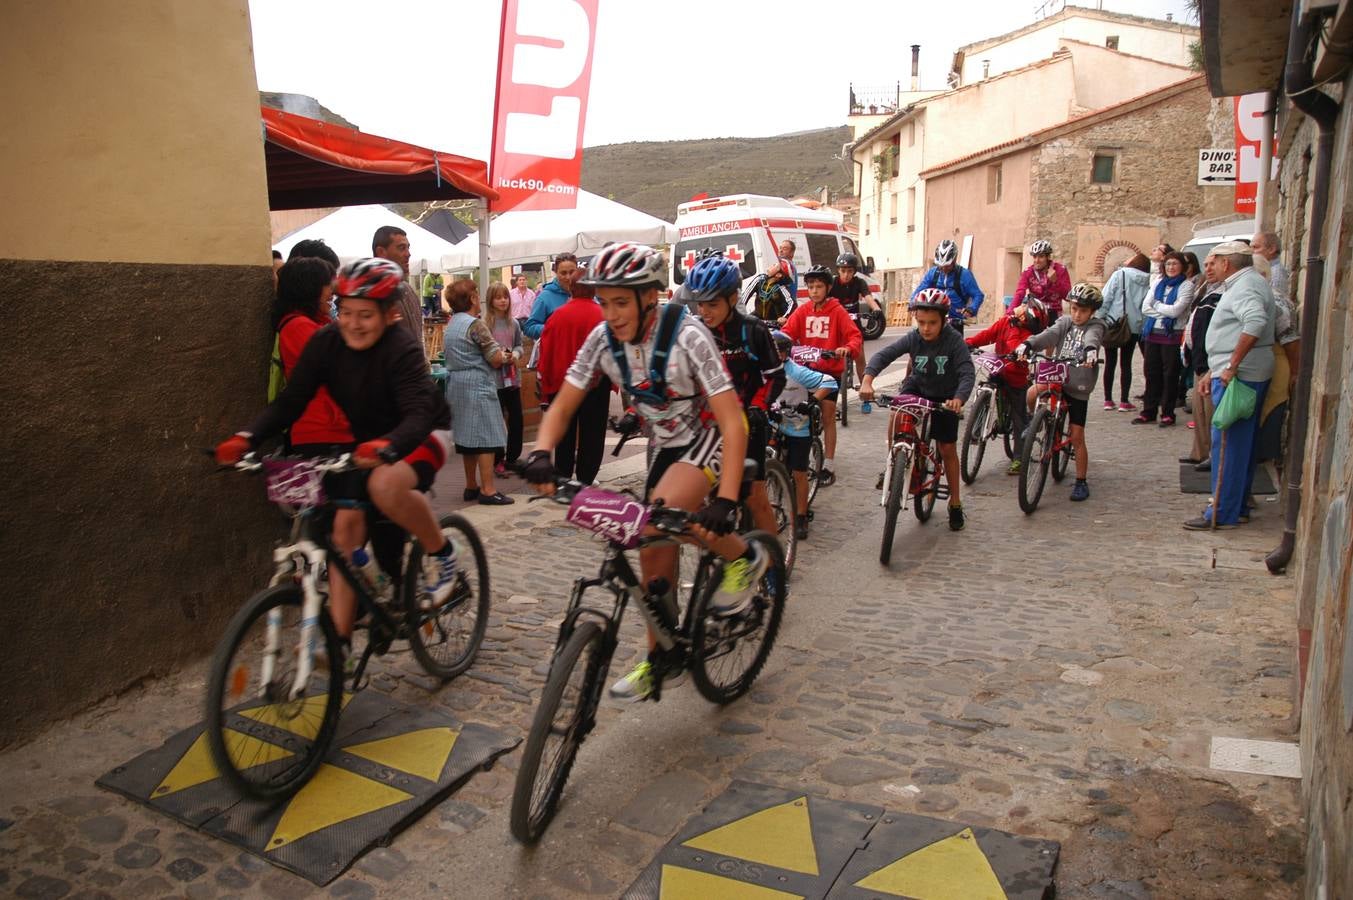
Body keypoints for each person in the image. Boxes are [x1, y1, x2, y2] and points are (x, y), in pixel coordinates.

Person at [521, 242, 766, 702]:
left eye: (620, 302)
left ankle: (743, 558)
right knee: (652, 548)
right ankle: (662, 658)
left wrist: (729, 499)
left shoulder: (689, 335)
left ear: (649, 298)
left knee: (663, 513)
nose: (610, 314)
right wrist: (543, 452)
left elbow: (733, 420)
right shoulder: (601, 339)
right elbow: (565, 402)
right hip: (664, 445)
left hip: (708, 435)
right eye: (604, 302)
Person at [215, 258, 458, 661]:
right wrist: (247, 437)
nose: (354, 324)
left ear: (388, 314)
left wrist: (388, 447)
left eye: (366, 315)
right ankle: (341, 640)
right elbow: (293, 400)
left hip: (423, 432)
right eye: (345, 312)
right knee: (345, 533)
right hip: (365, 442)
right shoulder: (326, 343)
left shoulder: (401, 348)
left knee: (384, 486)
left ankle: (441, 552)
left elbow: (417, 412)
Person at [688, 253, 786, 541]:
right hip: (707, 425)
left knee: (754, 496)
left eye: (713, 304)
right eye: (700, 303)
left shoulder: (752, 330)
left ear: (732, 298)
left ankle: (773, 566)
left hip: (748, 422)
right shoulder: (695, 331)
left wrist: (758, 407)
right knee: (698, 495)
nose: (705, 311)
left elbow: (775, 377)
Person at [859, 288, 975, 530]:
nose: (926, 328)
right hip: (918, 386)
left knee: (947, 448)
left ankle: (955, 502)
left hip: (946, 395)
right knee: (896, 413)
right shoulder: (914, 338)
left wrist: (959, 398)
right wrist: (868, 379)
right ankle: (894, 461)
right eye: (921, 322)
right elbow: (884, 355)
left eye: (932, 323)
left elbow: (966, 372)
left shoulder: (954, 341)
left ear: (944, 320)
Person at [1183, 241, 1276, 530]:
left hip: (1241, 375)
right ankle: (1238, 503)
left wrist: (1232, 365)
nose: (1211, 266)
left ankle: (1223, 511)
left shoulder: (1245, 285)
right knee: (1239, 443)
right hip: (1238, 371)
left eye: (1215, 261)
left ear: (1227, 262)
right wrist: (1217, 367)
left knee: (1227, 444)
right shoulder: (1245, 283)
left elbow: (1254, 322)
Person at [1015, 284, 1106, 502]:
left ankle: (1081, 481)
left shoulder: (1096, 325)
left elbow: (1092, 339)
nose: (1077, 314)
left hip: (1078, 385)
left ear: (1092, 311)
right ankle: (1034, 423)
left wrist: (1090, 352)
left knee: (1076, 436)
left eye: (1083, 310)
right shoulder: (1065, 322)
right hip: (1057, 376)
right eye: (1074, 308)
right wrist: (1027, 344)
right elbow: (1049, 335)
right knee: (1031, 393)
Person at [780, 265, 863, 486]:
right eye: (810, 287)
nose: (814, 291)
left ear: (828, 288)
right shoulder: (803, 310)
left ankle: (829, 463)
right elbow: (788, 332)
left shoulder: (837, 311)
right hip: (805, 371)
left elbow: (854, 336)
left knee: (828, 415)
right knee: (790, 409)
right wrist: (780, 340)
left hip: (829, 371)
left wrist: (847, 349)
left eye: (819, 287)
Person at [443, 279, 514, 505]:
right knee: (486, 437)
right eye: (476, 292)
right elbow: (494, 357)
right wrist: (506, 356)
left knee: (466, 437)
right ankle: (488, 489)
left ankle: (470, 486)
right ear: (472, 298)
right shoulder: (476, 325)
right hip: (477, 383)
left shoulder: (452, 323)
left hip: (456, 384)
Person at [536, 277, 612, 486]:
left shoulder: (557, 316)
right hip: (596, 383)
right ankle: (586, 477)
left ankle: (563, 475)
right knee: (593, 433)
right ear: (593, 289)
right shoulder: (602, 316)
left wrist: (546, 382)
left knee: (564, 431)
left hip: (563, 380)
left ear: (572, 289)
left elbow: (546, 351)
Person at [271, 257, 351, 452]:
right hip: (318, 431)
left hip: (336, 429)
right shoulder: (298, 326)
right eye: (327, 284)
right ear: (310, 288)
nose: (332, 292)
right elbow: (343, 364)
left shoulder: (319, 321)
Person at [964, 295, 1048, 475]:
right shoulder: (1006, 322)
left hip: (1016, 379)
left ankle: (1018, 457)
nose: (1018, 307)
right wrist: (969, 344)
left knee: (1019, 418)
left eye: (1023, 307)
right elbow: (987, 335)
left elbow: (1016, 347)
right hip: (997, 370)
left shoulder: (1026, 336)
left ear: (1025, 317)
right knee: (983, 388)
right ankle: (976, 427)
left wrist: (1015, 332)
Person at [771, 330, 836, 540]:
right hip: (774, 423)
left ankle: (801, 517)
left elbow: (830, 382)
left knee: (799, 473)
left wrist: (812, 401)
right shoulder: (763, 370)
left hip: (798, 427)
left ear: (784, 354)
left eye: (775, 351)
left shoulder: (796, 372)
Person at [1135, 249, 1193, 426]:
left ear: (1182, 266)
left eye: (1175, 263)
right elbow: (1145, 307)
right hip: (1153, 334)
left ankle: (1167, 413)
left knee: (1170, 376)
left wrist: (1158, 306)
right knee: (1152, 373)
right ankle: (1149, 411)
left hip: (1172, 336)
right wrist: (1165, 313)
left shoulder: (1186, 286)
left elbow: (1177, 310)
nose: (1171, 267)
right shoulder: (1158, 282)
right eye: (1168, 263)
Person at [1179, 258, 1223, 470]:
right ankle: (1200, 452)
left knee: (1211, 412)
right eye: (1206, 265)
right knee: (1199, 411)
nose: (1208, 269)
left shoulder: (1224, 293)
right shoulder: (1206, 288)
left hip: (1210, 361)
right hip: (1199, 359)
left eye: (1213, 264)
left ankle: (1213, 457)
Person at [483, 282, 525, 476]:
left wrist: (515, 355)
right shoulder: (485, 324)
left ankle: (512, 457)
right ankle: (497, 459)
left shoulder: (514, 323)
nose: (503, 301)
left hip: (512, 378)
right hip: (493, 380)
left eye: (506, 297)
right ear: (491, 300)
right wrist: (497, 356)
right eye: (498, 297)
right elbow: (482, 351)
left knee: (517, 418)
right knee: (497, 421)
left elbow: (519, 345)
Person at [1099, 253, 1149, 411]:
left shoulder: (1120, 274)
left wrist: (1099, 319)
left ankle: (1108, 399)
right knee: (1126, 363)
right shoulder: (1148, 280)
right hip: (1134, 326)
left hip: (1114, 323)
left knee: (1110, 361)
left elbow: (1106, 298)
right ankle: (1124, 401)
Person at [829, 252, 882, 390]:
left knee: (860, 356)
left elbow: (868, 297)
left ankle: (865, 389)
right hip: (836, 322)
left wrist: (876, 310)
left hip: (853, 322)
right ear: (838, 270)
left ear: (854, 272)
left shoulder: (859, 282)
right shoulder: (832, 283)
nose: (846, 275)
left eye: (850, 271)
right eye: (843, 271)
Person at [913, 239, 984, 334]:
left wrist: (971, 309)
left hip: (955, 322)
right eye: (940, 266)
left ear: (954, 260)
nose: (943, 269)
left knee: (956, 347)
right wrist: (912, 304)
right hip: (934, 318)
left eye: (947, 265)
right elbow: (919, 291)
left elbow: (978, 295)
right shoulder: (933, 273)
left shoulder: (964, 275)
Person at [372, 225, 424, 347]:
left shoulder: (408, 289)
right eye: (401, 248)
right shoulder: (370, 294)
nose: (408, 254)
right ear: (381, 252)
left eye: (408, 248)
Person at [523, 253, 579, 340]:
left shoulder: (585, 292)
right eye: (563, 273)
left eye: (572, 272)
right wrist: (553, 329)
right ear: (556, 273)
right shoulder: (544, 298)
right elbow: (529, 327)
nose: (568, 277)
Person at [1013, 240, 1071, 320]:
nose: (1037, 260)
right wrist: (1010, 313)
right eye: (1034, 257)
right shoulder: (1028, 272)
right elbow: (1020, 293)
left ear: (1048, 257)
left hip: (1054, 312)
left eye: (1041, 256)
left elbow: (1068, 297)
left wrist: (1056, 281)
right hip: (1035, 311)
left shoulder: (1060, 270)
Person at [1251, 231, 1289, 303]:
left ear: (1271, 249)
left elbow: (1276, 303)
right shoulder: (1266, 269)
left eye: (1255, 247)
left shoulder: (1276, 273)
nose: (1251, 251)